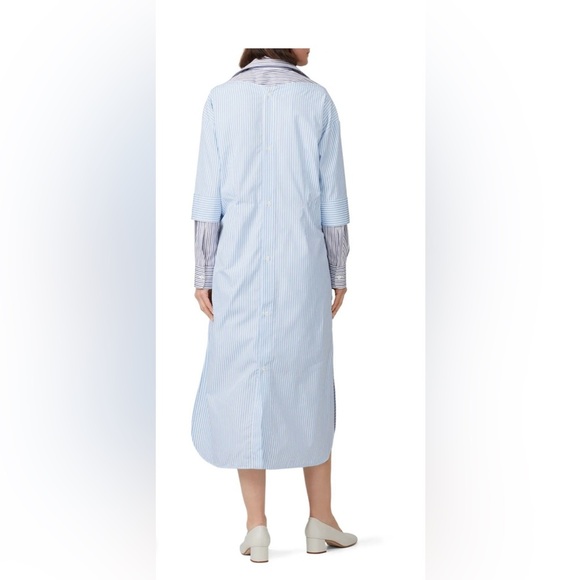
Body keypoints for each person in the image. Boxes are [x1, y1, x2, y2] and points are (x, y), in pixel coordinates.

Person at [190, 48, 356, 563]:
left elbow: (207, 199)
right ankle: (320, 519)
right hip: (302, 271)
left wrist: (203, 271)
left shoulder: (220, 100)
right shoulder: (317, 101)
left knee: (245, 385)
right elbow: (332, 201)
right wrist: (338, 269)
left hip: (236, 270)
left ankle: (256, 527)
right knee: (310, 384)